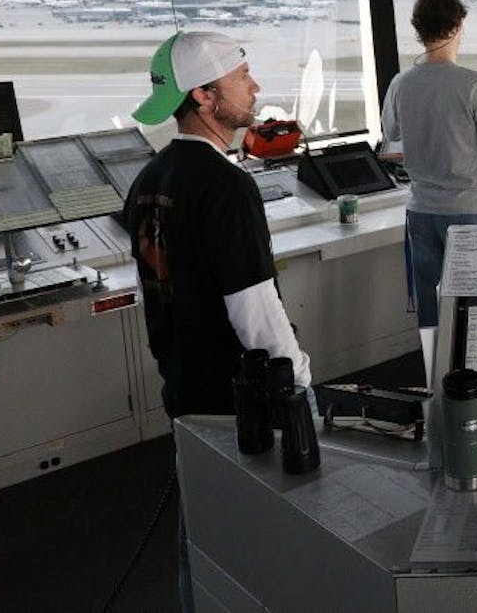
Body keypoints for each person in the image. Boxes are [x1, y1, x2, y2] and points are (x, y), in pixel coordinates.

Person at [124, 30, 312, 611]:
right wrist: (299, 381)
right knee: (255, 540)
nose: (254, 87)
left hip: (183, 385)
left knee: (198, 532)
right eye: (241, 77)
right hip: (239, 399)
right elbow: (253, 307)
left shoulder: (148, 182)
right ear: (205, 96)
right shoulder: (226, 187)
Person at [381, 0, 477, 384]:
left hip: (422, 210)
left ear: (418, 31)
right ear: (457, 26)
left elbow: (390, 133)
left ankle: (437, 385)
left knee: (433, 311)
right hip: (475, 212)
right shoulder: (475, 83)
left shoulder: (401, 82)